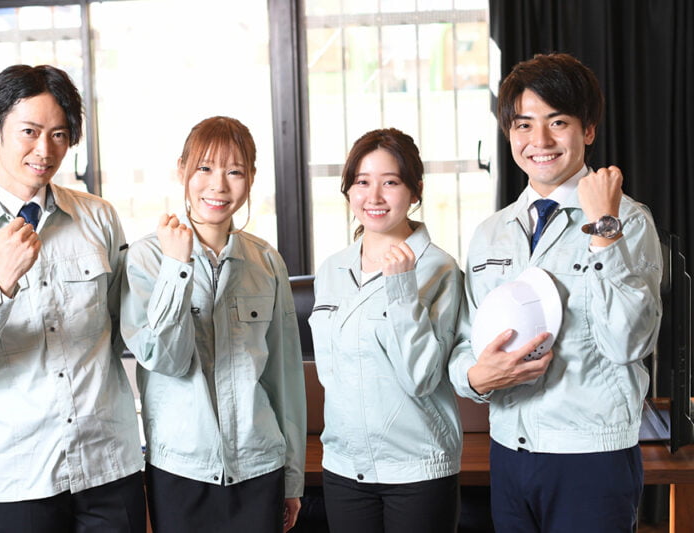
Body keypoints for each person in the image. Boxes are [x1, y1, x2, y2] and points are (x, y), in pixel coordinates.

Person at [0, 65, 145, 533]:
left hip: (109, 464)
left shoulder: (99, 218)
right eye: (30, 131)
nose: (45, 150)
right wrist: (0, 281)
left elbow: (132, 328)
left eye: (59, 135)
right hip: (19, 475)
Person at [449, 53, 663, 532]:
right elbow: (465, 341)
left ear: (588, 130)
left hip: (591, 457)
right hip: (509, 451)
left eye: (558, 122)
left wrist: (603, 228)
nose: (540, 141)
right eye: (523, 125)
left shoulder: (627, 221)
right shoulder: (490, 232)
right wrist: (476, 379)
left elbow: (629, 343)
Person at [120, 116, 306, 533]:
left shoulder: (267, 261)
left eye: (234, 171)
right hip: (181, 469)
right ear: (181, 170)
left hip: (259, 466)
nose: (218, 185)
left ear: (251, 177)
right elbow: (164, 359)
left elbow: (285, 377)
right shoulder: (147, 257)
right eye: (204, 168)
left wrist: (292, 477)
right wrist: (176, 266)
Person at [308, 128, 463, 533]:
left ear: (415, 191)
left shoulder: (440, 269)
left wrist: (401, 289)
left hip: (418, 470)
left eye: (390, 182)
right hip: (344, 467)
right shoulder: (332, 269)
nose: (373, 197)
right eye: (362, 182)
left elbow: (420, 377)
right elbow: (331, 374)